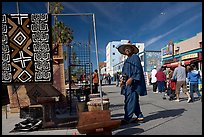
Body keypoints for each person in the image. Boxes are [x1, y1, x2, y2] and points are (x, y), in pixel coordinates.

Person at [117, 43, 147, 125]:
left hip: (133, 84)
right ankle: (139, 115)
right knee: (133, 100)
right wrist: (121, 81)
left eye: (128, 48)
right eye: (125, 48)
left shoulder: (135, 57)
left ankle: (127, 118)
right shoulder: (126, 60)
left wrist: (132, 78)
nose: (127, 49)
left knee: (130, 100)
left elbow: (138, 71)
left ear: (132, 49)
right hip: (127, 84)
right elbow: (124, 73)